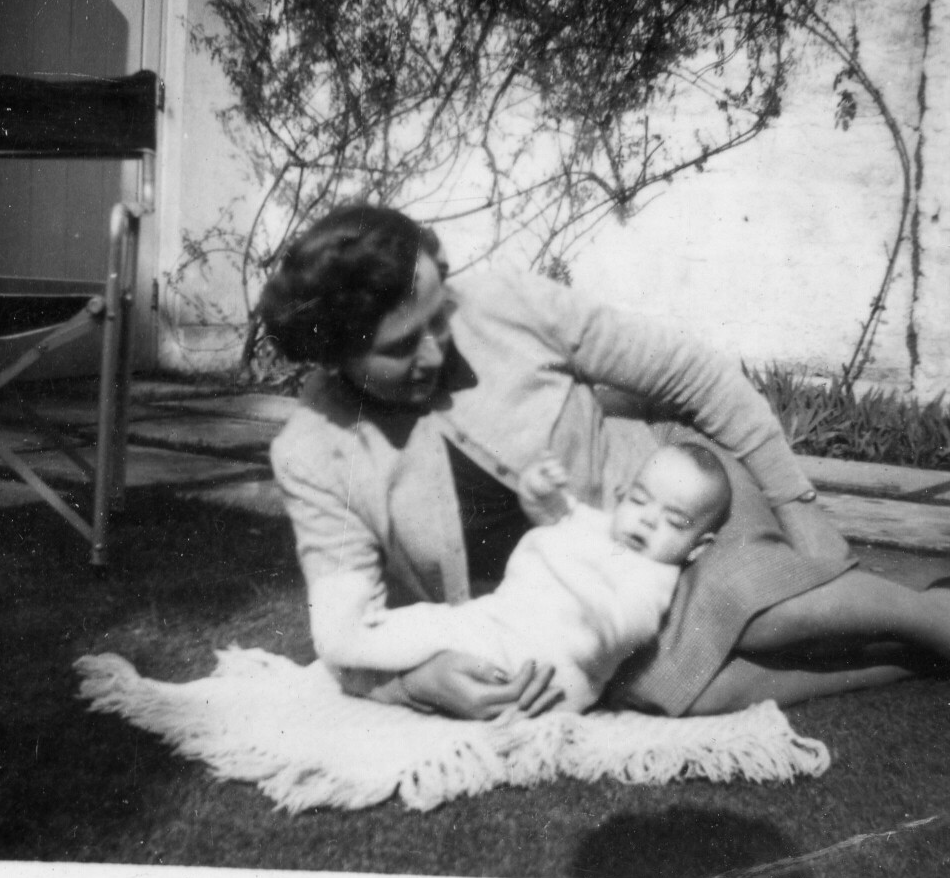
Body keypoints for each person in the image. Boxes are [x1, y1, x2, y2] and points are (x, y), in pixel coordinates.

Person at [262, 204, 950, 719]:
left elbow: (694, 375)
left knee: (743, 601)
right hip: (568, 609)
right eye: (403, 345)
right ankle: (910, 652)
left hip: (675, 500)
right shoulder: (315, 451)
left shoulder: (505, 303)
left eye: (439, 318)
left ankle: (933, 621)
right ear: (335, 353)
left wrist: (800, 507)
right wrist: (413, 682)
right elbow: (347, 632)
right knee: (687, 690)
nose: (438, 351)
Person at [311, 443, 733, 715]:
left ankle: (348, 648)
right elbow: (561, 514)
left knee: (432, 630)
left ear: (697, 546)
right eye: (640, 500)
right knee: (436, 626)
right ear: (624, 496)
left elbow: (633, 622)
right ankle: (353, 649)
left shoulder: (651, 574)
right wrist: (541, 491)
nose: (648, 519)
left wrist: (603, 621)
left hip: (542, 662)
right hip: (508, 624)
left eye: (674, 521)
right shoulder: (601, 526)